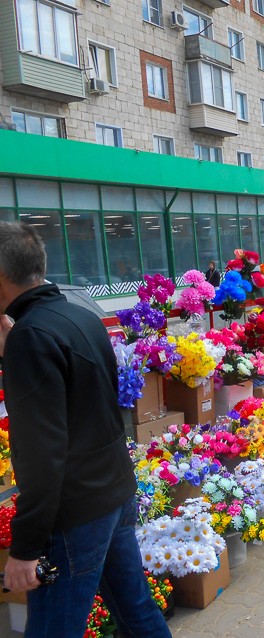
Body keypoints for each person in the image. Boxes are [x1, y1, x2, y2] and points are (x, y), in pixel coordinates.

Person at [0, 222, 171, 637]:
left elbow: (42, 452)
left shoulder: (32, 335)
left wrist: (24, 550)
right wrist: (15, 343)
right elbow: (85, 404)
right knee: (137, 613)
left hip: (74, 515)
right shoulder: (78, 314)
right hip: (111, 491)